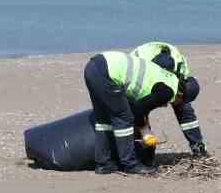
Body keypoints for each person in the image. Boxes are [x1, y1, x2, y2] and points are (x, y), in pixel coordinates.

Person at [82, 45, 200, 175]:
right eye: (181, 102)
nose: (174, 105)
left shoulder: (169, 78)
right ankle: (130, 164)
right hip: (108, 73)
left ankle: (103, 164)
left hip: (94, 66)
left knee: (103, 119)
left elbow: (139, 104)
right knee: (124, 118)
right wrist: (145, 132)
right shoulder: (167, 91)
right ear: (181, 95)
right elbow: (137, 111)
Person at [131, 41, 206, 157]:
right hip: (141, 81)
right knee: (139, 112)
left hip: (169, 75)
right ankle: (144, 153)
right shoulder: (141, 67)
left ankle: (198, 147)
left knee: (183, 107)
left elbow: (183, 88)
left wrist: (177, 98)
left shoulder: (179, 65)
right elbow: (138, 107)